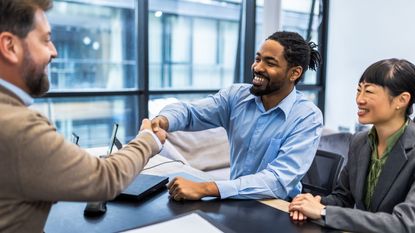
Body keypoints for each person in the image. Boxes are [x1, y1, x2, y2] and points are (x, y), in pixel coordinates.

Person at [0, 0, 166, 232]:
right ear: (10, 46)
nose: (54, 51)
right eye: (46, 39)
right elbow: (105, 179)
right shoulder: (18, 126)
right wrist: (148, 138)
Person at [152, 31, 324, 201]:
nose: (257, 67)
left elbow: (277, 181)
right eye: (258, 59)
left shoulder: (307, 117)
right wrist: (163, 121)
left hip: (280, 206)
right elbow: (191, 112)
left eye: (270, 63)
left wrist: (207, 188)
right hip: (234, 200)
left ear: (294, 73)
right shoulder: (236, 96)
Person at [289, 58, 415, 233]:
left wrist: (324, 212)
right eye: (359, 90)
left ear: (401, 100)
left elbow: (405, 224)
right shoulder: (360, 142)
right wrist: (312, 203)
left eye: (369, 91)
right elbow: (342, 198)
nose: (359, 99)